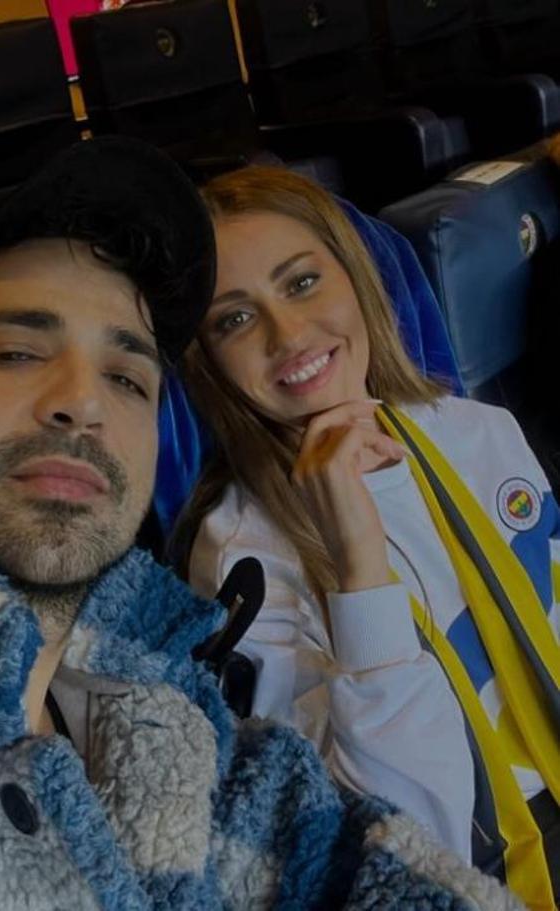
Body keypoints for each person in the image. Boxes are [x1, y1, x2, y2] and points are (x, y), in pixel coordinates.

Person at [0, 137, 513, 910]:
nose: (84, 402)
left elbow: (392, 869)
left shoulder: (173, 721)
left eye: (127, 377)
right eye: (15, 352)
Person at [178, 164, 560, 910]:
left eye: (302, 283)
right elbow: (397, 840)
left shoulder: (476, 430)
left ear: (356, 277)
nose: (289, 335)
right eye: (234, 319)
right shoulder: (236, 560)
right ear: (208, 362)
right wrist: (358, 568)